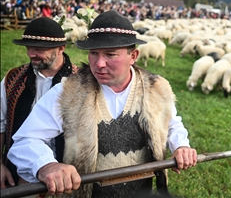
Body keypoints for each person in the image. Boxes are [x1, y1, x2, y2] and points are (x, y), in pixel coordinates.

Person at [8, 10, 197, 197]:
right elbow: (26, 139)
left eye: (110, 54)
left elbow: (171, 123)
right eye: (93, 53)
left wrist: (181, 146)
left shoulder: (157, 89)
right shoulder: (69, 92)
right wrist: (46, 165)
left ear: (133, 56)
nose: (99, 64)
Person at [0, 17, 79, 189]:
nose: (30, 54)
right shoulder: (13, 79)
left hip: (67, 181)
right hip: (19, 176)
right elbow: (0, 125)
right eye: (28, 47)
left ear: (61, 49)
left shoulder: (80, 83)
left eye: (38, 49)